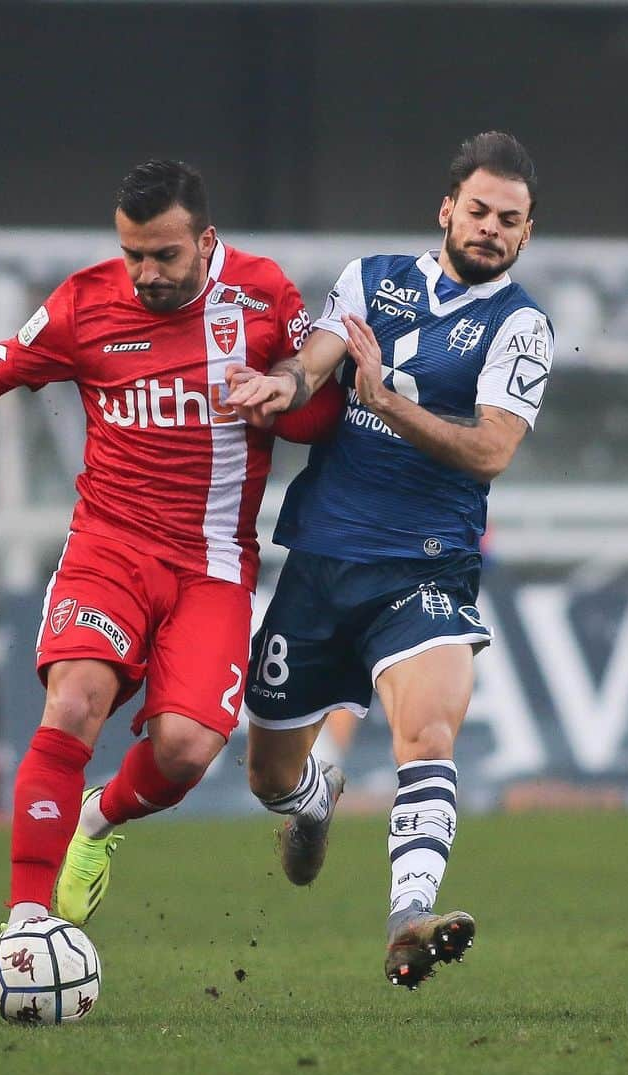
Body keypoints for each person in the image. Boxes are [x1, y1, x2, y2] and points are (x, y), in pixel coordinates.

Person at [0, 161, 341, 932]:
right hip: (109, 549)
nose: (144, 274)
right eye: (132, 253)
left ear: (206, 242)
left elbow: (318, 415)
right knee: (73, 702)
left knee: (183, 750)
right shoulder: (83, 303)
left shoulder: (264, 294)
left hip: (212, 563)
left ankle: (95, 822)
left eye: (164, 257)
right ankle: (25, 925)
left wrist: (282, 394)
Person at [225, 132, 554, 990]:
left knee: (427, 730)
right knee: (267, 772)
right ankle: (309, 802)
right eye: (478, 211)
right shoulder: (371, 280)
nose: (489, 229)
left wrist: (383, 403)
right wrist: (283, 388)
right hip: (324, 558)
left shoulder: (520, 327)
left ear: (526, 234)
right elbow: (314, 364)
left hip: (427, 565)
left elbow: (489, 452)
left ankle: (410, 914)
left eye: (508, 221)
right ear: (447, 209)